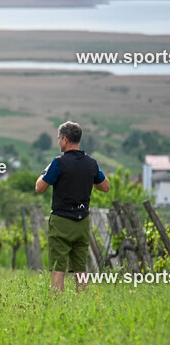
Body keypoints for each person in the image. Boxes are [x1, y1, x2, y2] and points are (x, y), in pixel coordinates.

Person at [35, 121, 110, 291]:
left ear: (65, 139)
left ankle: (57, 306)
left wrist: (45, 171)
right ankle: (82, 302)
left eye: (59, 138)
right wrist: (91, 181)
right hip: (82, 221)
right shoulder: (91, 163)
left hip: (61, 221)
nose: (59, 142)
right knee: (80, 268)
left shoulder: (58, 163)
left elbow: (39, 188)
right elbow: (105, 186)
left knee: (58, 267)